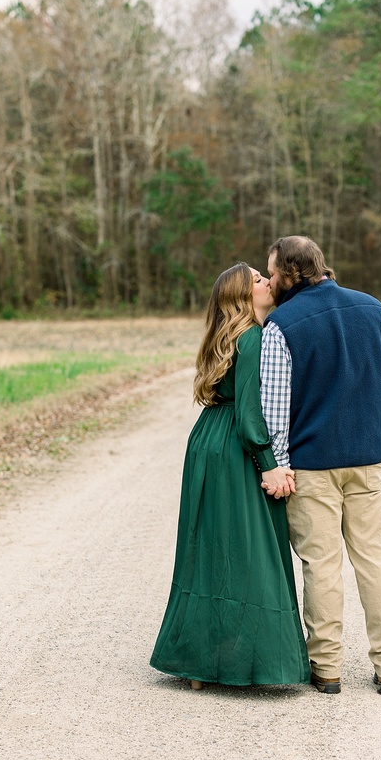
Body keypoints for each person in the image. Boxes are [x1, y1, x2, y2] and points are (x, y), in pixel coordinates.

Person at [260, 235, 381, 695]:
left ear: (289, 274)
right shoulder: (373, 309)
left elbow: (274, 409)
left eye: (272, 272)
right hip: (369, 460)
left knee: (320, 565)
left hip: (310, 467)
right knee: (376, 561)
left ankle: (326, 667)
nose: (269, 281)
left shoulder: (281, 325)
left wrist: (280, 462)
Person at [150, 262, 310, 690]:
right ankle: (249, 664)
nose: (267, 282)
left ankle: (199, 663)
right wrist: (270, 464)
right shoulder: (253, 337)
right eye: (258, 279)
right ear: (243, 296)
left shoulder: (225, 338)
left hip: (206, 441)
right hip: (236, 450)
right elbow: (249, 414)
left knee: (209, 549)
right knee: (249, 549)